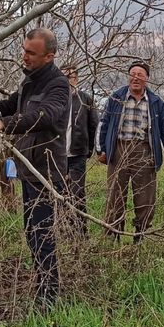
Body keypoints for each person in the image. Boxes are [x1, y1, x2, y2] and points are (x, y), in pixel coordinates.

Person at [0, 28, 69, 306]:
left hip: (45, 171)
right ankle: (42, 285)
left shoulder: (58, 85)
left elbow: (44, 115)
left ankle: (49, 295)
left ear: (49, 56)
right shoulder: (29, 81)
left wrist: (4, 124)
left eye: (31, 53)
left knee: (42, 233)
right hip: (28, 168)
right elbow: (8, 105)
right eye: (24, 50)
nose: (25, 56)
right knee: (32, 232)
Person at [96, 61, 164, 243]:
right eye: (132, 74)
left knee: (145, 196)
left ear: (147, 79)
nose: (135, 78)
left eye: (140, 75)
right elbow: (103, 124)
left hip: (144, 151)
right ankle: (113, 234)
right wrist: (101, 149)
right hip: (119, 150)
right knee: (115, 195)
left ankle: (140, 234)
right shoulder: (116, 97)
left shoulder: (156, 101)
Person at [63, 65, 98, 237]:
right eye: (62, 77)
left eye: (69, 77)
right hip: (57, 156)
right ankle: (63, 230)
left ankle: (81, 232)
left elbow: (94, 125)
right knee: (59, 194)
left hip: (77, 154)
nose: (66, 81)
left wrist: (89, 149)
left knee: (77, 194)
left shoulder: (85, 99)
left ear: (76, 79)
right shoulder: (54, 99)